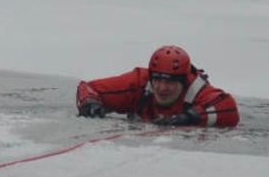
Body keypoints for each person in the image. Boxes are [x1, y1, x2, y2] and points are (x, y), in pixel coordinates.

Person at [76, 45, 239, 127]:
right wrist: (90, 104)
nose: (161, 88)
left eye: (170, 82)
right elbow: (89, 88)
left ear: (183, 81)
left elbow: (229, 109)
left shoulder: (197, 91)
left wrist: (187, 118)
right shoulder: (139, 82)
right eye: (158, 80)